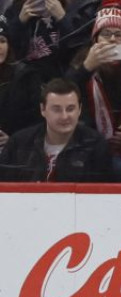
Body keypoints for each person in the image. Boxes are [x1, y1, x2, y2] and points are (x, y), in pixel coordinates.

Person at [0, 78, 114, 182]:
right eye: (56, 109)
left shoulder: (96, 145)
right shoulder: (19, 143)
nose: (64, 116)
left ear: (79, 110)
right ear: (43, 109)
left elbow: (102, 195)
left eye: (70, 109)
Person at [64, 1, 121, 139]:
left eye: (118, 35)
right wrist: (86, 68)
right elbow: (64, 92)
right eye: (106, 34)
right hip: (90, 138)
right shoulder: (81, 62)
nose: (112, 39)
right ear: (95, 40)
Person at [0, 13, 44, 147]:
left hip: (19, 150)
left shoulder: (26, 76)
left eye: (2, 41)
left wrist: (14, 140)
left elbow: (38, 121)